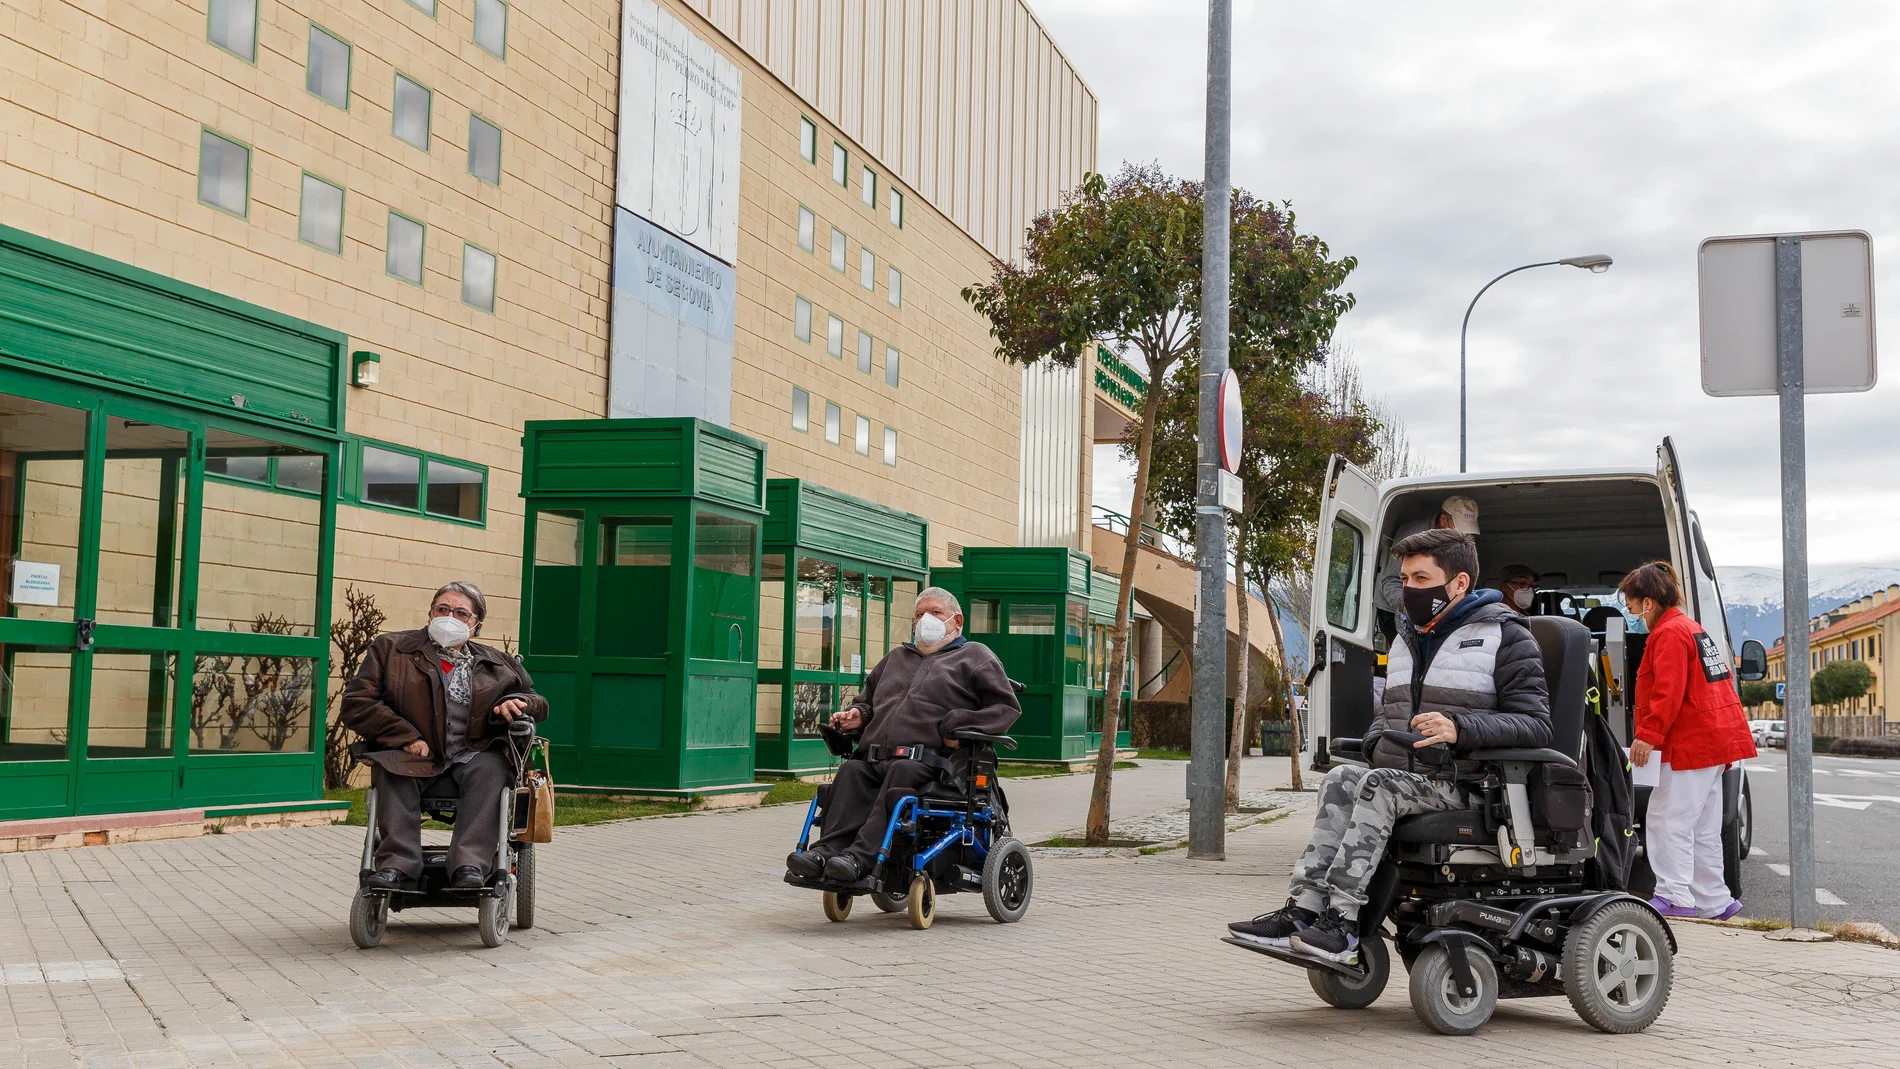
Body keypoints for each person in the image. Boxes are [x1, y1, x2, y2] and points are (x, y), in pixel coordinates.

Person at [1229, 528, 1550, 965]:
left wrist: (1460, 727)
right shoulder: (1405, 638)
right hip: (1408, 777)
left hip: (1471, 785)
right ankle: (1304, 910)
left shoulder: (1506, 637)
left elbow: (1535, 725)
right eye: (1405, 579)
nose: (1409, 591)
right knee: (1343, 776)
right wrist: (1376, 737)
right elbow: (1394, 707)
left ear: (1459, 583)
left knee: (1379, 785)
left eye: (1422, 578)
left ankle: (1342, 925)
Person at [785, 587, 1021, 884]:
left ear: (956, 621)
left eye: (935, 613)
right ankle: (825, 854)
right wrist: (857, 715)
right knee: (851, 772)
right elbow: (868, 702)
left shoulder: (974, 656)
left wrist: (960, 723)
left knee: (901, 772)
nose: (925, 620)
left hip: (933, 765)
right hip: (875, 759)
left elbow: (1006, 708)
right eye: (919, 614)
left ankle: (859, 859)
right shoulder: (896, 658)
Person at [343, 582, 547, 892]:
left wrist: (517, 702)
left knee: (493, 768)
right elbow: (357, 703)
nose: (449, 617)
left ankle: (469, 864)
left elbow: (537, 701)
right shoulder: (391, 650)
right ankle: (397, 864)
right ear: (430, 614)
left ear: (476, 626)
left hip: (471, 754)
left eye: (461, 613)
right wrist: (404, 736)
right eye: (443, 609)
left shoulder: (497, 663)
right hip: (414, 754)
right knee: (393, 767)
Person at [1621, 561, 1757, 920]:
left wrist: (1648, 737)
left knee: (1667, 821)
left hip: (1690, 744)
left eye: (1632, 606)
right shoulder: (1694, 630)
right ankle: (1715, 902)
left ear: (1648, 603)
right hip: (1713, 743)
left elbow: (1668, 691)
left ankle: (1674, 896)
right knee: (1703, 828)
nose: (1633, 614)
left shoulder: (1668, 635)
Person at [1373, 495, 1480, 614]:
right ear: (1443, 520)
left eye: (1468, 532)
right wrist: (1410, 609)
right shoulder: (1412, 536)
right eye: (1459, 529)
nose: (1463, 536)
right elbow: (1389, 580)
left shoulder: (1455, 543)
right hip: (1392, 612)